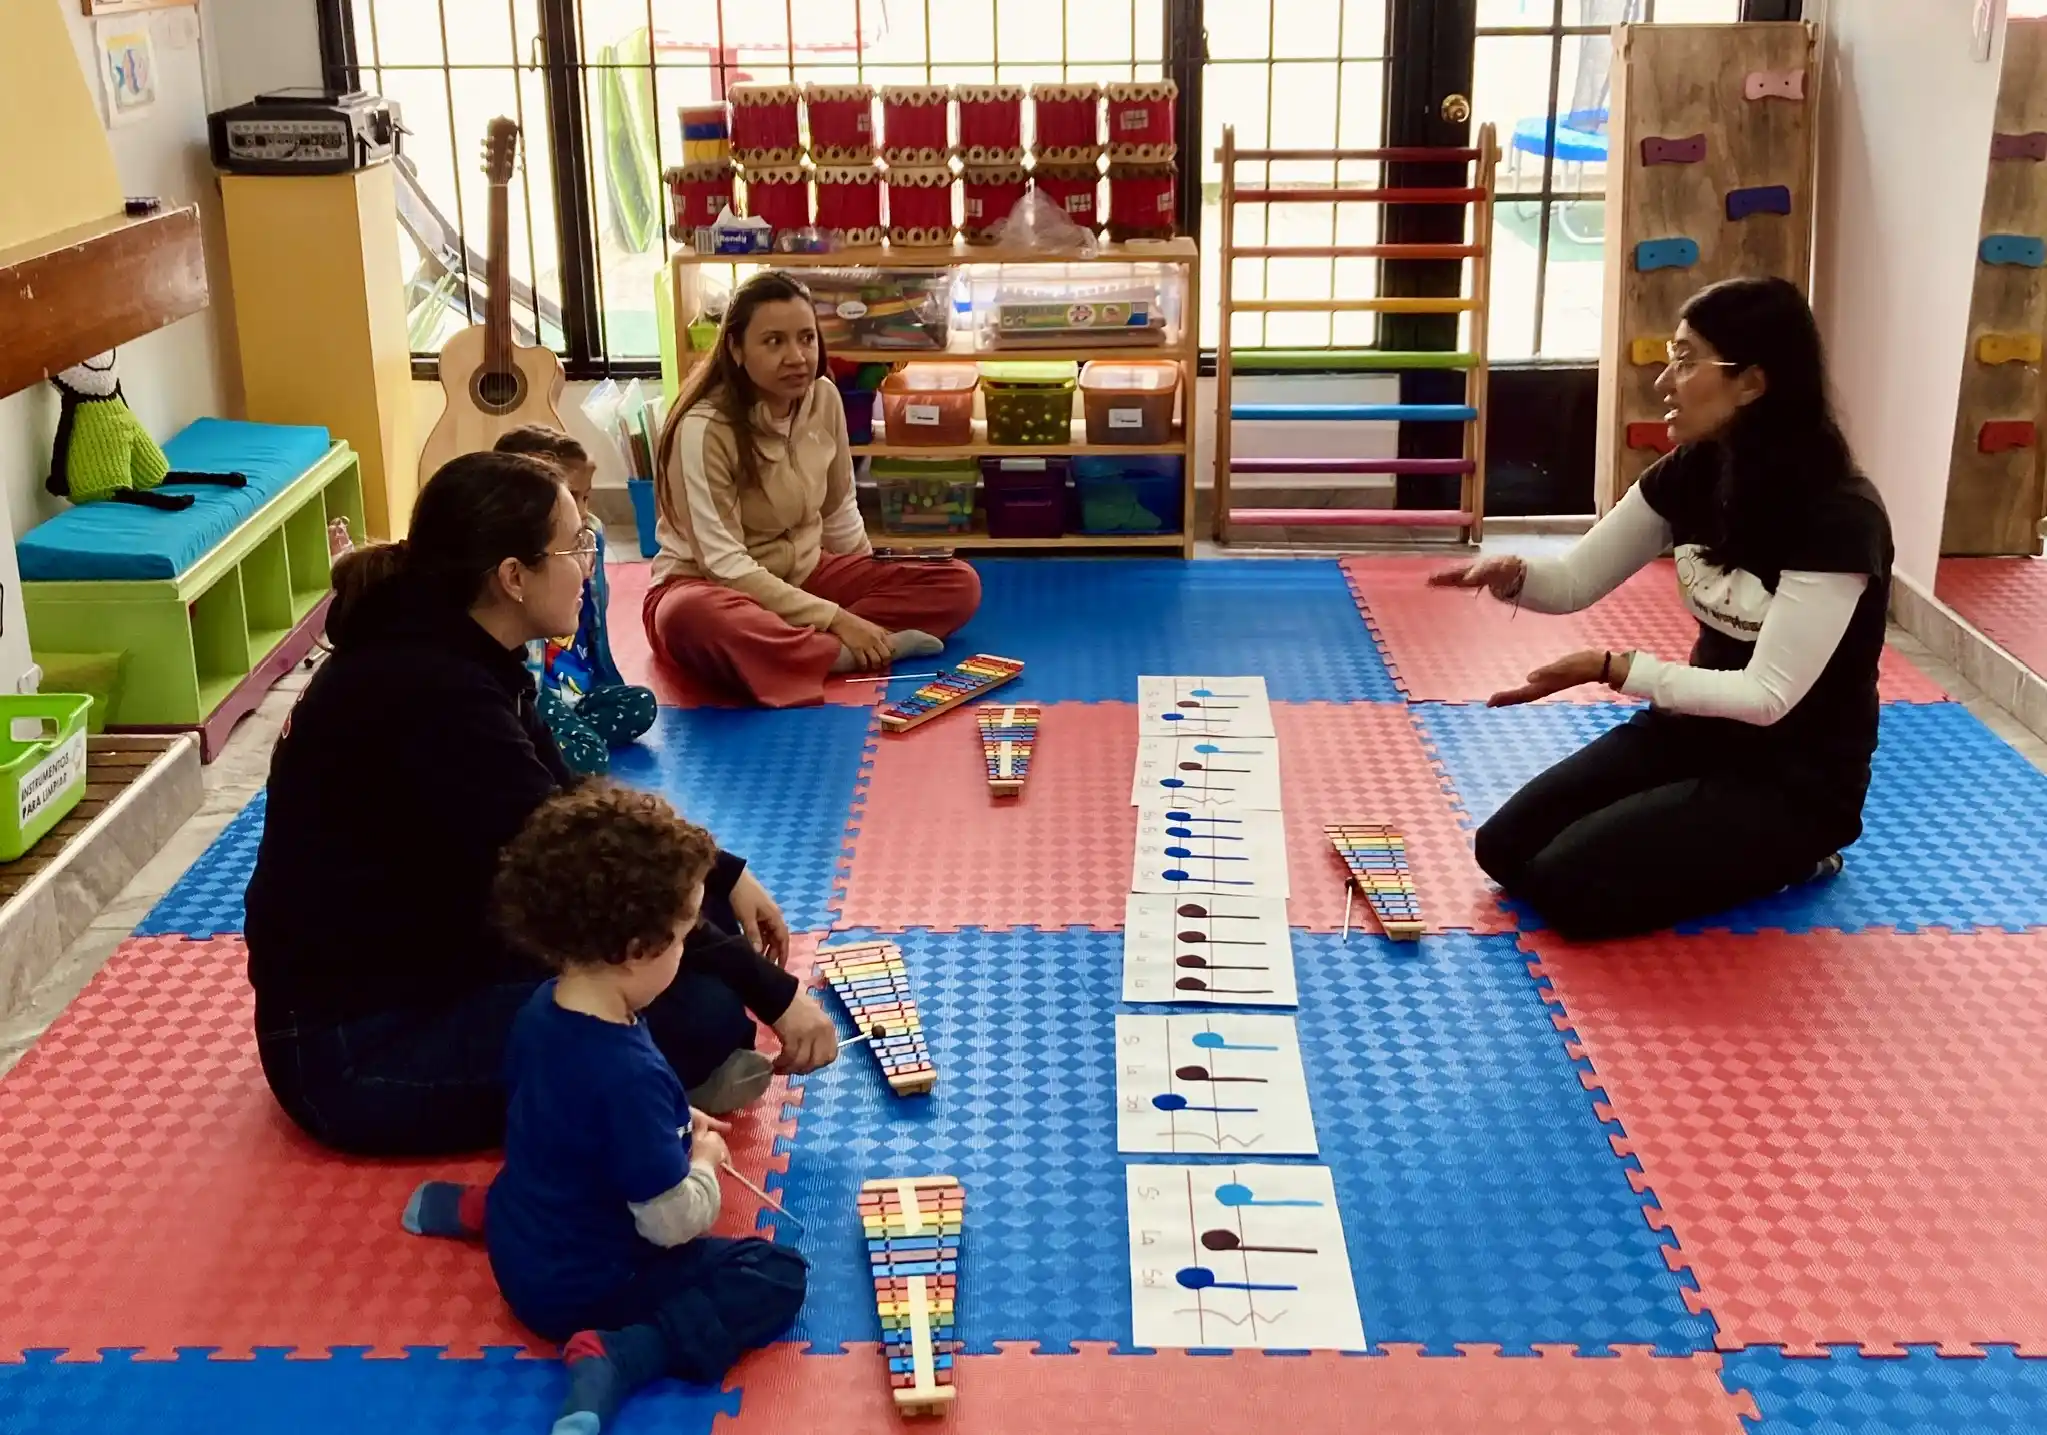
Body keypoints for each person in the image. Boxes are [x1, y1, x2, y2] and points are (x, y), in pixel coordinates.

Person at [244, 450, 842, 1158]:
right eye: (574, 544)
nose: (588, 565)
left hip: (441, 959)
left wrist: (722, 869)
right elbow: (583, 862)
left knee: (690, 906)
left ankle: (660, 1062)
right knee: (702, 1013)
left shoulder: (460, 647)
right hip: (359, 1053)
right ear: (513, 576)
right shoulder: (432, 694)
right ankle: (655, 1087)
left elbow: (580, 807)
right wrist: (775, 993)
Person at [1431, 276, 1893, 941]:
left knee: (1567, 889)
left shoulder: (1839, 516)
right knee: (1502, 849)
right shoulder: (1691, 472)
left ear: (1751, 383)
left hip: (1793, 779)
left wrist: (1615, 668)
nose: (1662, 381)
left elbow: (1766, 696)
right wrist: (1514, 577)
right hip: (1694, 732)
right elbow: (1574, 581)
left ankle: (1801, 854)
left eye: (1684, 360)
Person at [405, 783, 807, 1435]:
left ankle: (481, 1208)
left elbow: (565, 1122)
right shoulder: (627, 1074)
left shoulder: (543, 1007)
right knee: (776, 1273)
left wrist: (676, 1120)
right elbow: (673, 1223)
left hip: (521, 1246)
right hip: (587, 1288)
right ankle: (628, 1352)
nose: (687, 951)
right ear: (637, 950)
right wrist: (704, 1160)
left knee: (547, 1158)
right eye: (683, 937)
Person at [643, 270, 982, 708]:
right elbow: (723, 564)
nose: (796, 356)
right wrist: (839, 619)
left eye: (806, 338)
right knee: (688, 619)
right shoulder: (702, 429)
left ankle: (793, 650)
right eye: (774, 342)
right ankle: (839, 654)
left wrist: (869, 576)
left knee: (957, 582)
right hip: (713, 586)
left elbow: (839, 508)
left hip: (806, 574)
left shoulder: (824, 397)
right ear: (735, 349)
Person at [492, 426, 658, 776]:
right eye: (572, 497)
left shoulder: (588, 536)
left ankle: (557, 737)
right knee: (589, 757)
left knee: (642, 704)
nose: (582, 512)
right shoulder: (517, 561)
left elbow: (593, 624)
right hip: (539, 693)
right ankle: (549, 740)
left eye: (586, 498)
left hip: (579, 690)